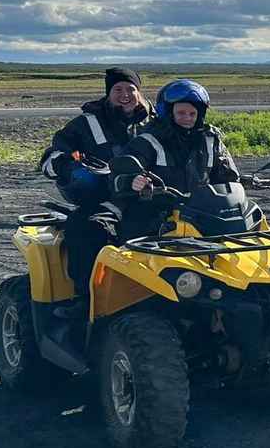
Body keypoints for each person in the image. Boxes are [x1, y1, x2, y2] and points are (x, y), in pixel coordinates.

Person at [38, 67, 149, 295]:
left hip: (153, 198)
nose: (125, 94)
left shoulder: (156, 120)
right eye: (118, 89)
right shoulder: (87, 123)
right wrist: (69, 168)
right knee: (86, 230)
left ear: (139, 92)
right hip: (104, 200)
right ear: (108, 93)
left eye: (131, 89)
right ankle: (85, 299)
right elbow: (51, 157)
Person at [124, 79, 241, 236]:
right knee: (136, 233)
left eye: (192, 113)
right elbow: (123, 171)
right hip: (159, 212)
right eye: (181, 113)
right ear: (168, 112)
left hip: (202, 212)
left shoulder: (210, 140)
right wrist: (134, 180)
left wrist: (237, 184)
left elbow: (228, 176)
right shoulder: (148, 140)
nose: (188, 118)